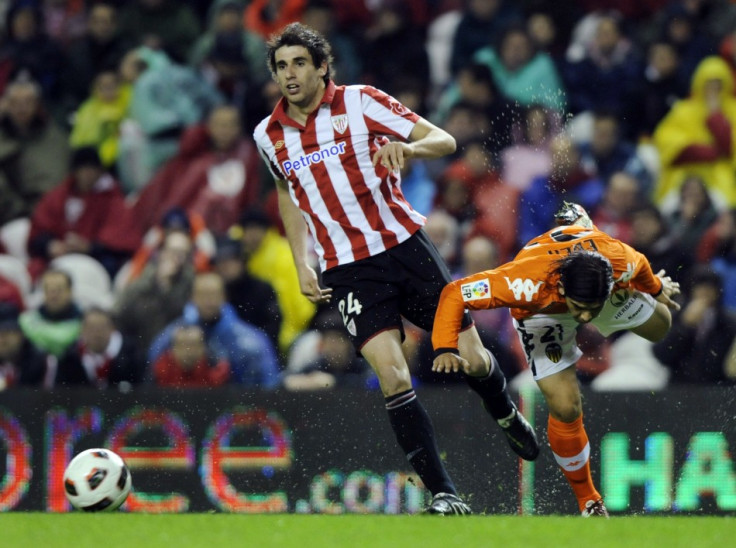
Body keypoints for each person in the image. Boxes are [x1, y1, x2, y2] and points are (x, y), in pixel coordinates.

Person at [253, 22, 538, 515]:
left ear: (323, 67)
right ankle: (444, 493)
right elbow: (286, 193)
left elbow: (444, 140)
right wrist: (303, 261)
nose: (290, 74)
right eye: (281, 66)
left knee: (471, 356)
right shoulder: (268, 135)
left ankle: (504, 411)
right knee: (394, 376)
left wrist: (408, 148)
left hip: (405, 249)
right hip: (348, 271)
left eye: (300, 63)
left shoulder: (361, 102)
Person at [431, 202, 682, 517]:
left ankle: (611, 290)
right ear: (563, 287)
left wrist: (656, 288)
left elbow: (641, 264)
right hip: (542, 314)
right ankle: (589, 501)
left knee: (661, 328)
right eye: (580, 308)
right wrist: (444, 346)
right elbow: (456, 292)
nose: (586, 318)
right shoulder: (521, 284)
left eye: (591, 310)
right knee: (565, 407)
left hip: (604, 287)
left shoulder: (619, 260)